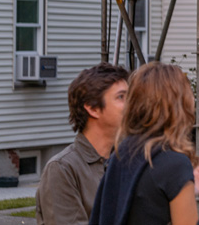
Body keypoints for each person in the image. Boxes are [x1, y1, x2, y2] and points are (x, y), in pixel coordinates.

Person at [89, 62, 199, 225]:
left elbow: (143, 207)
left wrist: (184, 189)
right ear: (181, 104)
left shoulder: (124, 152)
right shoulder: (174, 165)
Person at [36, 63, 130, 225]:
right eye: (121, 97)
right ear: (93, 108)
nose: (132, 105)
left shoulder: (130, 160)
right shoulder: (62, 169)